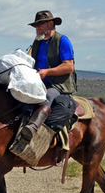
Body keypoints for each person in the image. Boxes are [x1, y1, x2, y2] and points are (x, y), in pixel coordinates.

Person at [20, 10, 78, 144]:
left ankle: (33, 128)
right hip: (38, 82)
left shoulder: (62, 40)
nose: (37, 28)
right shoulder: (37, 42)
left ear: (50, 24)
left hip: (58, 85)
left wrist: (46, 72)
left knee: (47, 96)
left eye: (40, 24)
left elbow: (69, 66)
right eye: (36, 25)